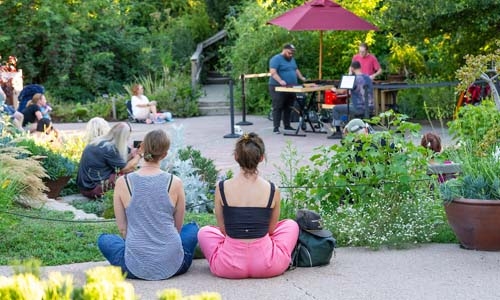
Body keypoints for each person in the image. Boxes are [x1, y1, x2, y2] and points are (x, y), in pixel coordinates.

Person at [98, 129, 199, 280]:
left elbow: (122, 228)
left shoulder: (123, 182)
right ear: (164, 154)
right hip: (174, 265)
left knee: (104, 239)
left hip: (134, 266)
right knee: (192, 228)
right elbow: (177, 227)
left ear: (142, 148)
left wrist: (140, 247)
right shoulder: (175, 182)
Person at [197, 132, 299, 279]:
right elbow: (270, 230)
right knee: (291, 225)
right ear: (262, 158)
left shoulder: (222, 188)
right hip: (268, 265)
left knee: (204, 232)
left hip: (228, 266)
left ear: (236, 157)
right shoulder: (272, 189)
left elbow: (224, 230)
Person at [76, 122, 142, 199]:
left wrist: (131, 155)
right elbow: (126, 168)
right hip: (94, 190)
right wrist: (139, 154)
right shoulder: (110, 149)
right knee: (128, 175)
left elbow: (118, 163)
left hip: (84, 188)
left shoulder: (98, 142)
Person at [328, 61, 374, 139]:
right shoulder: (368, 77)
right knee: (347, 106)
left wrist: (335, 90)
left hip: (358, 108)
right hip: (370, 106)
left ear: (352, 68)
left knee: (336, 109)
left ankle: (338, 132)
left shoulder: (354, 78)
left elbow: (343, 90)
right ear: (360, 67)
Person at [268, 44, 306, 134]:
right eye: (289, 53)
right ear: (284, 50)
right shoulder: (276, 59)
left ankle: (287, 125)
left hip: (291, 87)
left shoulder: (292, 59)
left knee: (289, 106)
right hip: (277, 87)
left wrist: (302, 78)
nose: (291, 55)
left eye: (292, 53)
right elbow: (273, 72)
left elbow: (296, 69)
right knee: (278, 106)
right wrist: (280, 80)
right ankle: (276, 127)